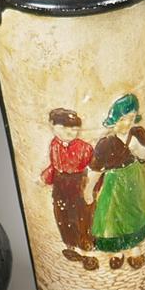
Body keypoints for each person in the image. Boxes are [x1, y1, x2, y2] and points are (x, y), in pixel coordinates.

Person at [87, 94, 145, 270]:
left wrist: (137, 148)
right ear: (115, 119)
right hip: (115, 184)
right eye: (125, 118)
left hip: (135, 179)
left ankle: (134, 247)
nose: (129, 123)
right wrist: (88, 189)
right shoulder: (106, 143)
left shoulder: (137, 134)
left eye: (132, 118)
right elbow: (96, 169)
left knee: (135, 212)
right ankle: (117, 250)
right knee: (114, 217)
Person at [39, 108, 98, 270]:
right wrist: (45, 177)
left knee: (83, 215)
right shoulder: (54, 145)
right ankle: (71, 245)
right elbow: (54, 166)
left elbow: (94, 169)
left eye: (74, 128)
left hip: (79, 183)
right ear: (52, 126)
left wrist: (91, 189)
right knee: (63, 215)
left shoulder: (85, 148)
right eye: (64, 128)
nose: (69, 132)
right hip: (61, 185)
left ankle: (87, 249)